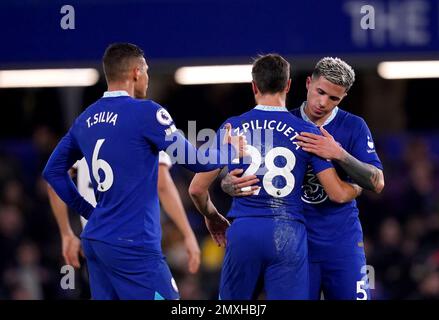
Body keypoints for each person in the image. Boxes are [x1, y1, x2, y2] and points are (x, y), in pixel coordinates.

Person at [42, 42, 245, 300]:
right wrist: (229, 152)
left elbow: (52, 172)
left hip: (96, 241)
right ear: (137, 72)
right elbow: (195, 161)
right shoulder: (147, 113)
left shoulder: (85, 119)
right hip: (133, 245)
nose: (148, 78)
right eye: (147, 71)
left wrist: (89, 211)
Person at [188, 54, 362, 300]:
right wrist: (357, 187)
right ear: (289, 85)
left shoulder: (232, 127)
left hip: (244, 229)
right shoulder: (308, 132)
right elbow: (336, 193)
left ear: (254, 86)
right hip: (288, 234)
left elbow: (196, 189)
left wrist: (213, 216)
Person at [47, 151, 201, 274]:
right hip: (130, 244)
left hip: (94, 242)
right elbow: (162, 184)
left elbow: (54, 180)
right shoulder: (144, 125)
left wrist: (66, 233)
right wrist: (187, 233)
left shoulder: (86, 131)